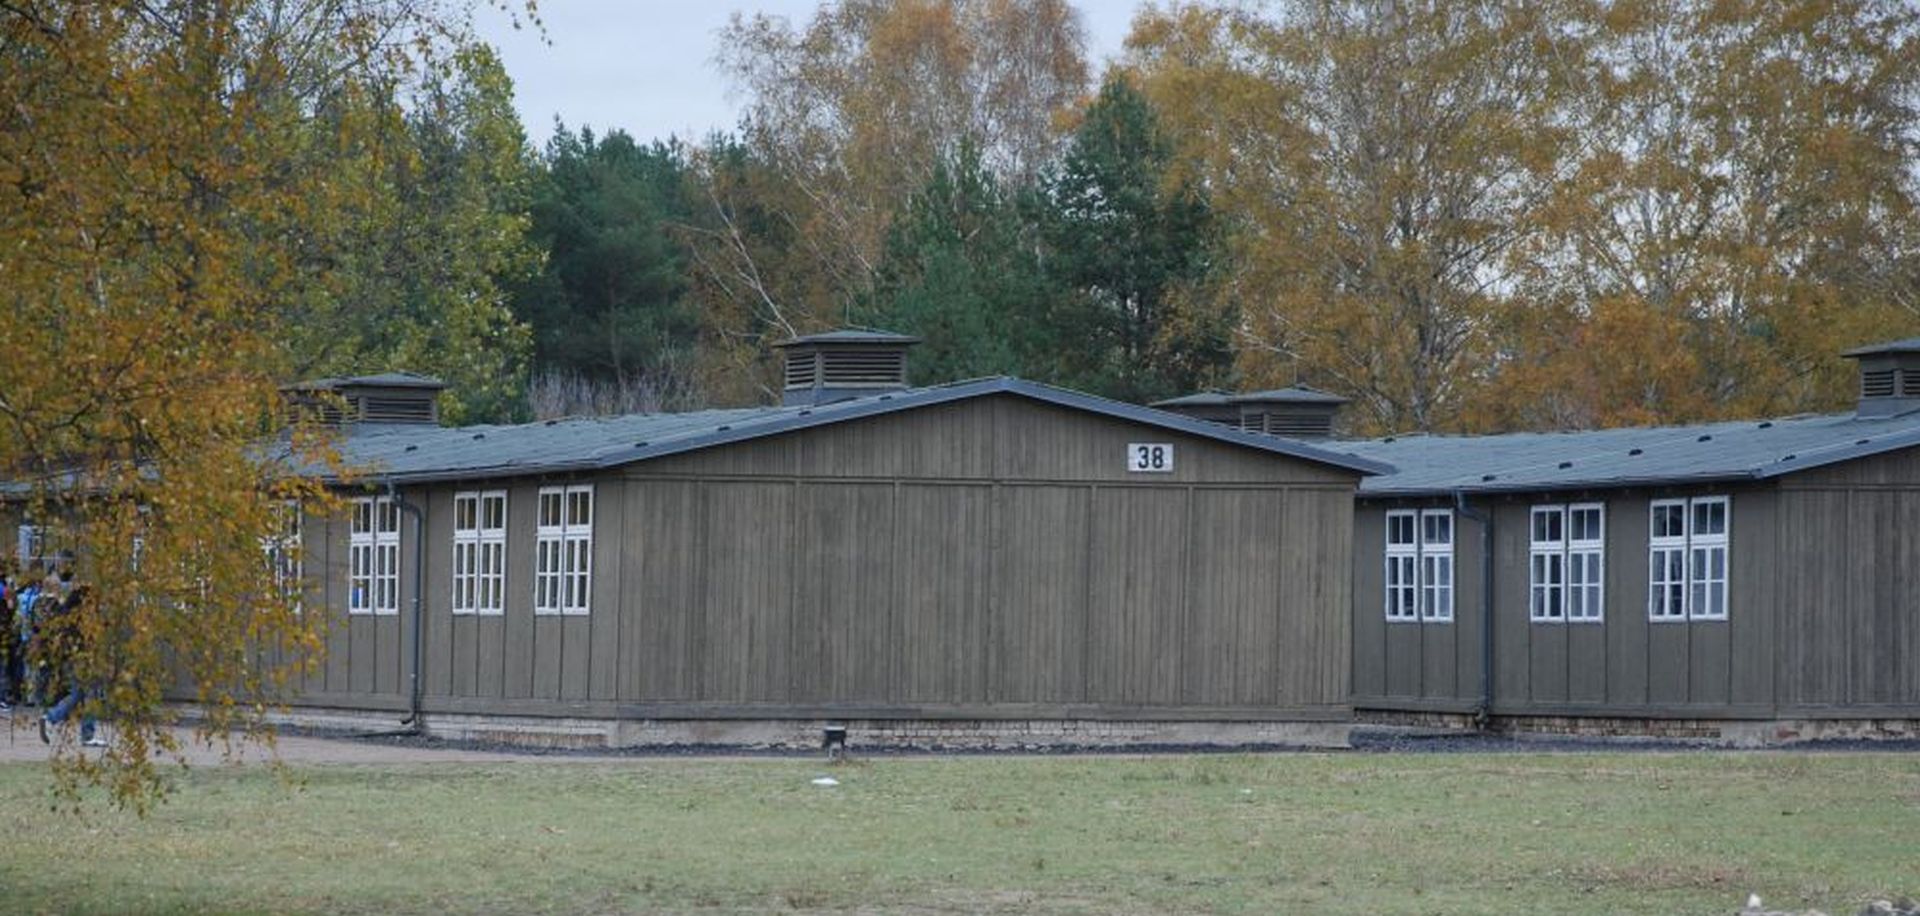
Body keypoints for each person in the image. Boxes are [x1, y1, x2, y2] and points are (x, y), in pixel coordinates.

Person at [39, 585, 104, 747]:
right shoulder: (83, 618)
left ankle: (51, 717)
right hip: (84, 657)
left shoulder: (66, 615)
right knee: (91, 695)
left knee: (77, 694)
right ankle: (87, 734)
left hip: (72, 657)